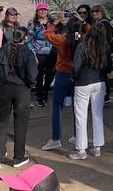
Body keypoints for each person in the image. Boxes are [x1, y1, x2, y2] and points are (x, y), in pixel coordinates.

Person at [41, 14, 83, 151]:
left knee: (57, 106)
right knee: (77, 106)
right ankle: (78, 136)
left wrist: (56, 22)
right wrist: (82, 21)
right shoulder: (82, 39)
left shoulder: (63, 39)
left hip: (63, 74)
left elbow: (47, 34)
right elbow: (89, 29)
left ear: (68, 27)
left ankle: (55, 138)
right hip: (78, 75)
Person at [70, 24, 113, 160]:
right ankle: (97, 147)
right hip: (99, 82)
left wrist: (75, 78)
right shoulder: (105, 47)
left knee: (80, 116)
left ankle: (81, 150)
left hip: (83, 83)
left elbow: (76, 67)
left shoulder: (82, 46)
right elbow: (109, 67)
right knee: (97, 115)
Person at [0, 28, 37, 168]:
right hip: (21, 90)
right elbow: (32, 76)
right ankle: (18, 157)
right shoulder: (28, 54)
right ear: (25, 38)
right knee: (20, 124)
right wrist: (29, 85)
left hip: (3, 89)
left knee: (1, 123)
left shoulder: (2, 51)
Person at [27, 2, 55, 107]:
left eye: (44, 9)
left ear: (47, 11)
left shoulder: (52, 22)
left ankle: (45, 91)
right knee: (39, 75)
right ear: (37, 12)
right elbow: (28, 40)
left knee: (50, 74)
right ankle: (40, 97)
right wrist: (32, 52)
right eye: (40, 10)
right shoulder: (33, 23)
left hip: (52, 51)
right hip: (38, 52)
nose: (43, 11)